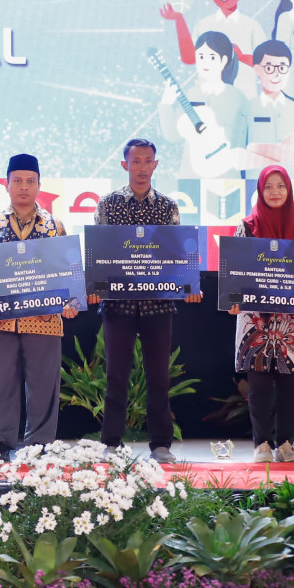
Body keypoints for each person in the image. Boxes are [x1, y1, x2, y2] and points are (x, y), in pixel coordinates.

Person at [87, 139, 202, 463]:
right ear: (125, 165)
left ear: (155, 165)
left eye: (147, 161)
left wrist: (187, 283)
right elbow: (100, 253)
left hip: (158, 305)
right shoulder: (108, 204)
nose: (141, 167)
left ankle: (161, 445)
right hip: (118, 306)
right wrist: (94, 283)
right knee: (116, 375)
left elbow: (178, 255)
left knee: (158, 376)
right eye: (135, 161)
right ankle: (111, 443)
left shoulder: (167, 206)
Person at [0, 154, 78, 463]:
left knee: (44, 386)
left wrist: (70, 302)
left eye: (30, 181)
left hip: (43, 319)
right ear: (6, 185)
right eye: (17, 181)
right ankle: (0, 445)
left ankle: (39, 447)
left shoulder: (55, 225)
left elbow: (67, 272)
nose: (23, 187)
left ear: (39, 186)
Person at [227, 165, 294, 462]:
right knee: (257, 385)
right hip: (255, 320)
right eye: (268, 186)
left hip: (293, 321)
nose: (274, 192)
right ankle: (262, 445)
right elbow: (234, 272)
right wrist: (232, 299)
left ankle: (285, 444)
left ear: (289, 190)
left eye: (280, 186)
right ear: (260, 190)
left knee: (288, 386)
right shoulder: (246, 226)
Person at [161, 0, 266, 96]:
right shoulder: (203, 24)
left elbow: (266, 62)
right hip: (208, 98)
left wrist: (240, 57)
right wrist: (179, 19)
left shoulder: (252, 26)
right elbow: (189, 58)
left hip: (243, 98)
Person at [157, 30, 247, 179]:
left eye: (212, 57)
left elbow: (245, 140)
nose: (205, 62)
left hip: (227, 176)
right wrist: (166, 104)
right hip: (191, 175)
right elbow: (172, 135)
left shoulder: (237, 97)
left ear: (224, 61)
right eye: (201, 56)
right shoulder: (189, 94)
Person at [242, 39, 294, 177]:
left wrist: (257, 149)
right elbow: (238, 156)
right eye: (269, 68)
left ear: (289, 70)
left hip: (291, 186)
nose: (276, 74)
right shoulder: (246, 109)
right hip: (254, 185)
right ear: (257, 69)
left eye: (282, 68)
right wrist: (283, 152)